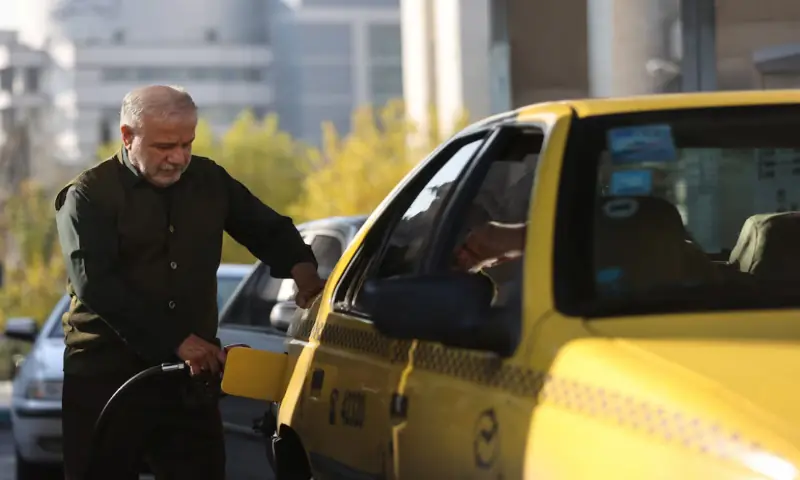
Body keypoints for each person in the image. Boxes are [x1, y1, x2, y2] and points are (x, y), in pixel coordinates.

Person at [54, 85, 325, 480]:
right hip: (105, 378)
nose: (178, 158)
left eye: (187, 144)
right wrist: (177, 341)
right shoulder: (88, 196)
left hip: (189, 382)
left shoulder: (209, 180)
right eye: (165, 146)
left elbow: (267, 229)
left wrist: (303, 271)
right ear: (128, 136)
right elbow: (97, 285)